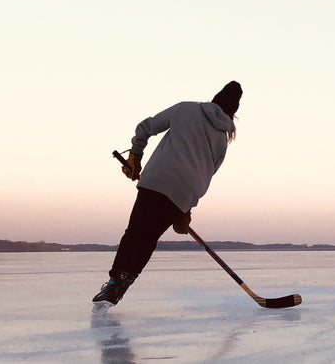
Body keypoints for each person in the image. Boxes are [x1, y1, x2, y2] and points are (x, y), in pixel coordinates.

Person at [93, 81, 242, 309]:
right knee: (149, 237)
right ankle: (123, 283)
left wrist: (135, 155)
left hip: (158, 178)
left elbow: (146, 127)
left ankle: (115, 282)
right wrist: (187, 208)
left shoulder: (186, 109)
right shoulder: (223, 139)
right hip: (182, 195)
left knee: (135, 232)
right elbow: (207, 173)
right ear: (233, 112)